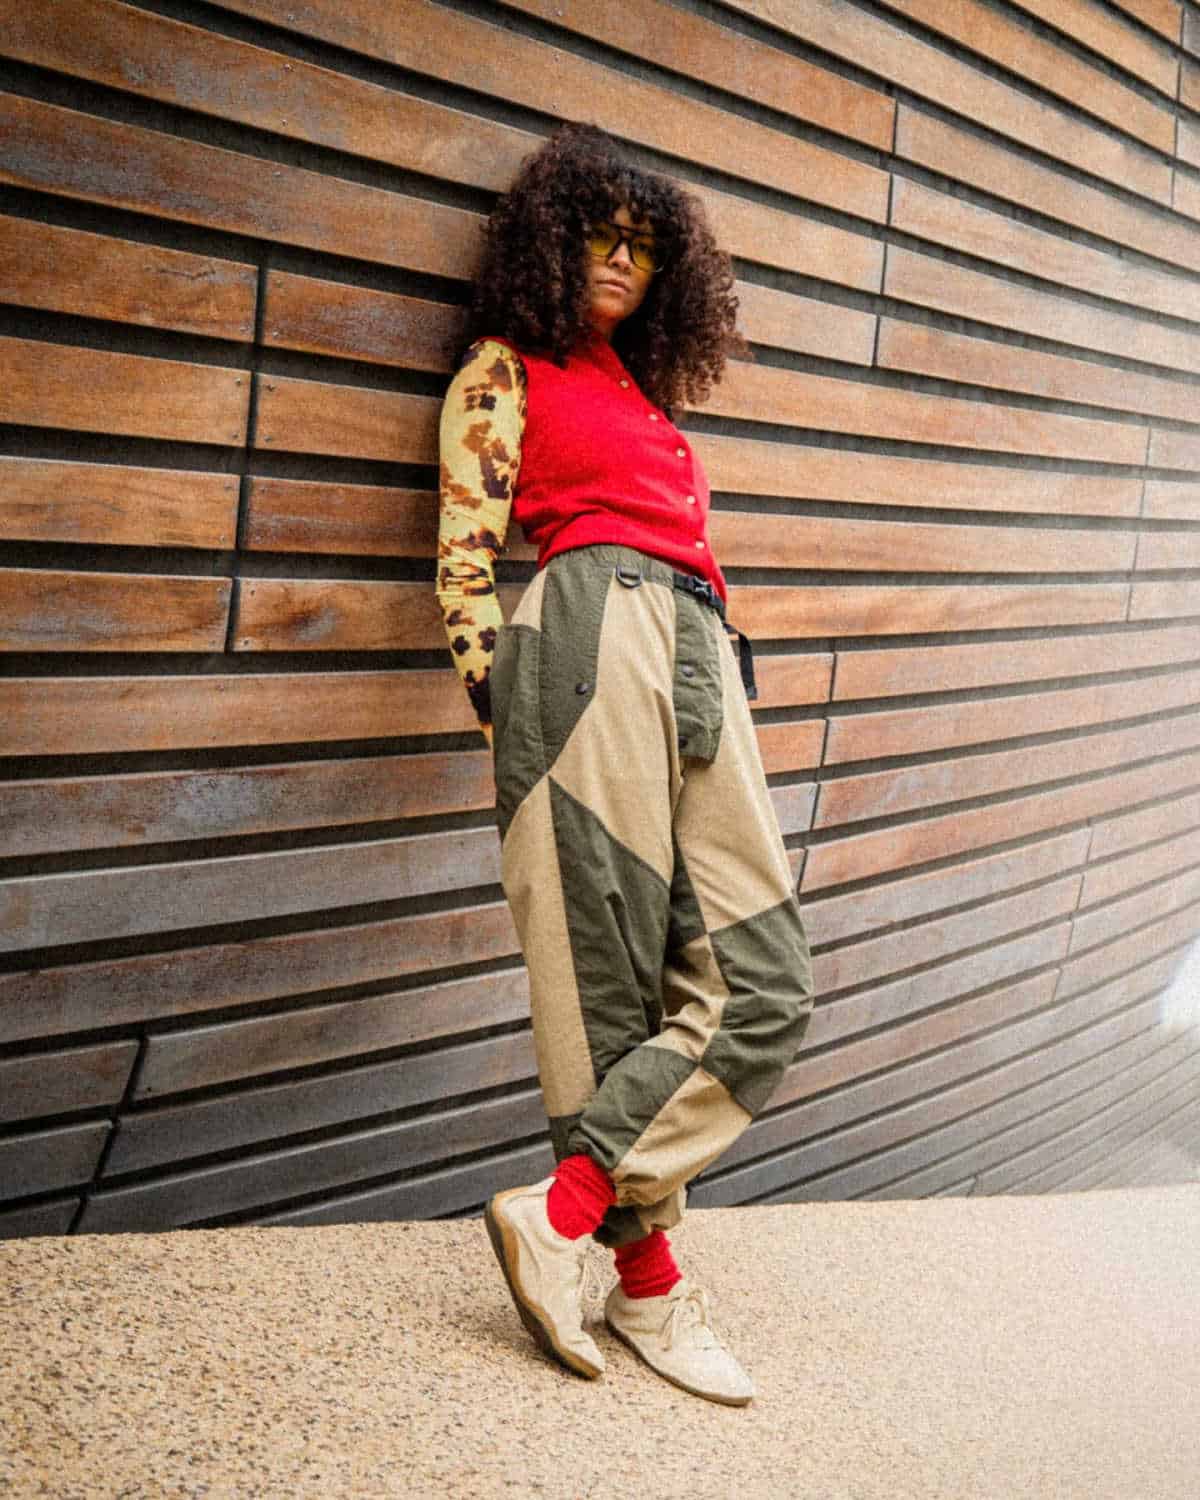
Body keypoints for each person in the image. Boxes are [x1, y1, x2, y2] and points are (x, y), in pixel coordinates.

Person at [435, 122, 814, 1406]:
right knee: (608, 992)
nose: (621, 259)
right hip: (585, 640)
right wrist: (512, 719)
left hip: (702, 648)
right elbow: (464, 556)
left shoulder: (642, 392)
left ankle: (565, 1212)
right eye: (601, 233)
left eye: (646, 246)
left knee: (761, 981)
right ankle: (646, 1290)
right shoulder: (508, 367)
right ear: (552, 237)